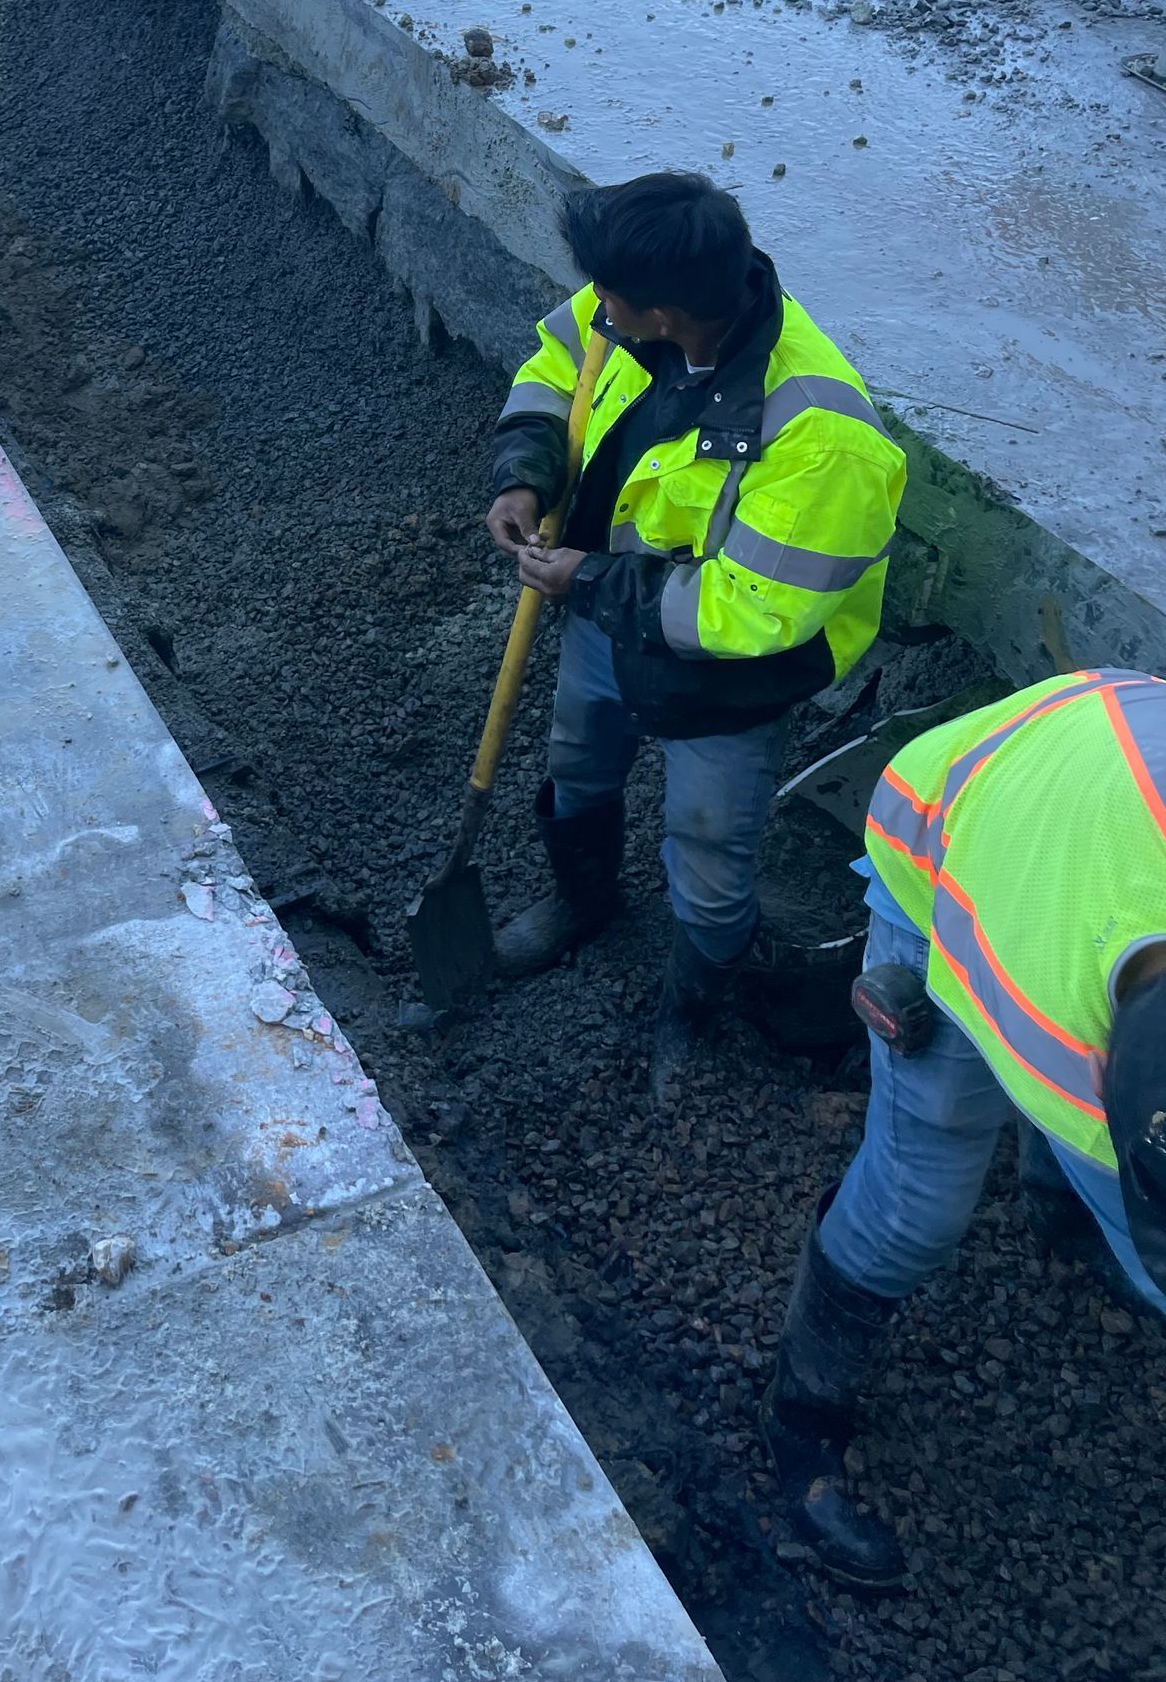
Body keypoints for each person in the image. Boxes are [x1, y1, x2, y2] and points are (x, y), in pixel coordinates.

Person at [484, 173, 906, 1095]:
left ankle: (693, 1007)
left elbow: (752, 614)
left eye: (610, 297)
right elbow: (556, 369)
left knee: (711, 859)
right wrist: (525, 470)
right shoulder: (619, 314)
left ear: (663, 313)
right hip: (605, 619)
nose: (593, 304)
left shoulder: (822, 436)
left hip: (726, 684)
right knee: (577, 766)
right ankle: (581, 901)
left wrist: (585, 578)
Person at [764, 673, 1166, 1588]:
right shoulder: (1053, 1040)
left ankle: (1055, 1212)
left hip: (1105, 760)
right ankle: (800, 1414)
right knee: (919, 1200)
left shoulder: (1107, 1041)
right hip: (944, 836)